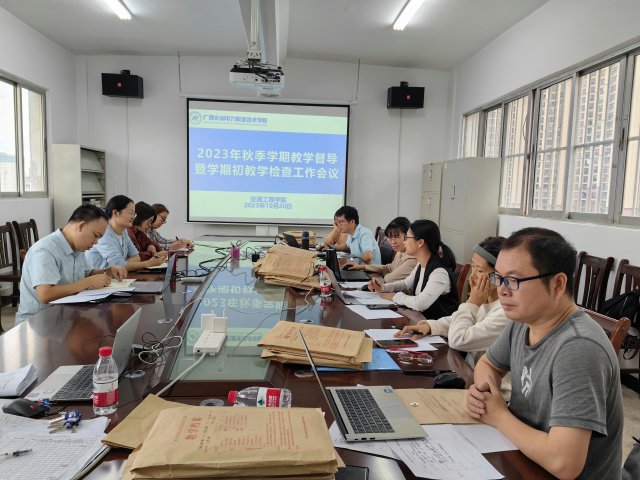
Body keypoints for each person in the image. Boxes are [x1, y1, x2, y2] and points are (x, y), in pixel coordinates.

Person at [466, 228, 622, 479]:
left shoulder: (579, 347)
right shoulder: (523, 322)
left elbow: (564, 463)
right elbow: (489, 364)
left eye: (513, 280)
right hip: (523, 459)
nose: (502, 290)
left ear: (557, 284)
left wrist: (498, 415)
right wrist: (486, 394)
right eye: (499, 278)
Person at [395, 236, 508, 369]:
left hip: (473, 376)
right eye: (472, 267)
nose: (472, 276)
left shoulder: (504, 313)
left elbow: (458, 339)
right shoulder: (485, 299)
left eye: (479, 270)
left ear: (498, 276)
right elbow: (458, 320)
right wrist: (431, 326)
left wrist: (472, 303)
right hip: (465, 368)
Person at [15, 204, 127, 325]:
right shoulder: (45, 250)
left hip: (66, 316)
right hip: (38, 323)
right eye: (96, 235)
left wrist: (108, 270)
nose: (96, 242)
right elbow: (45, 294)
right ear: (81, 226)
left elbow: (87, 273)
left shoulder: (77, 247)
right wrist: (88, 282)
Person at [369, 219, 458, 318]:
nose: (404, 241)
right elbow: (406, 284)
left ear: (420, 242)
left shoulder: (439, 273)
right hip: (420, 321)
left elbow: (420, 303)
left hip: (435, 326)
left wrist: (395, 296)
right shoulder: (421, 264)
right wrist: (384, 287)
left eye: (407, 238)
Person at [86, 195, 166, 272]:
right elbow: (118, 265)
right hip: (98, 279)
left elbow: (136, 257)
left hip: (116, 278)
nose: (133, 217)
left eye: (134, 214)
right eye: (130, 213)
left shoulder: (123, 231)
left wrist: (123, 264)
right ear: (115, 212)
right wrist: (147, 263)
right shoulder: (104, 233)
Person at [344, 217, 417, 283]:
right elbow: (389, 268)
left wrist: (377, 278)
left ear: (407, 236)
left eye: (396, 237)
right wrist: (362, 267)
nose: (393, 242)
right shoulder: (400, 251)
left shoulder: (412, 257)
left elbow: (389, 279)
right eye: (390, 237)